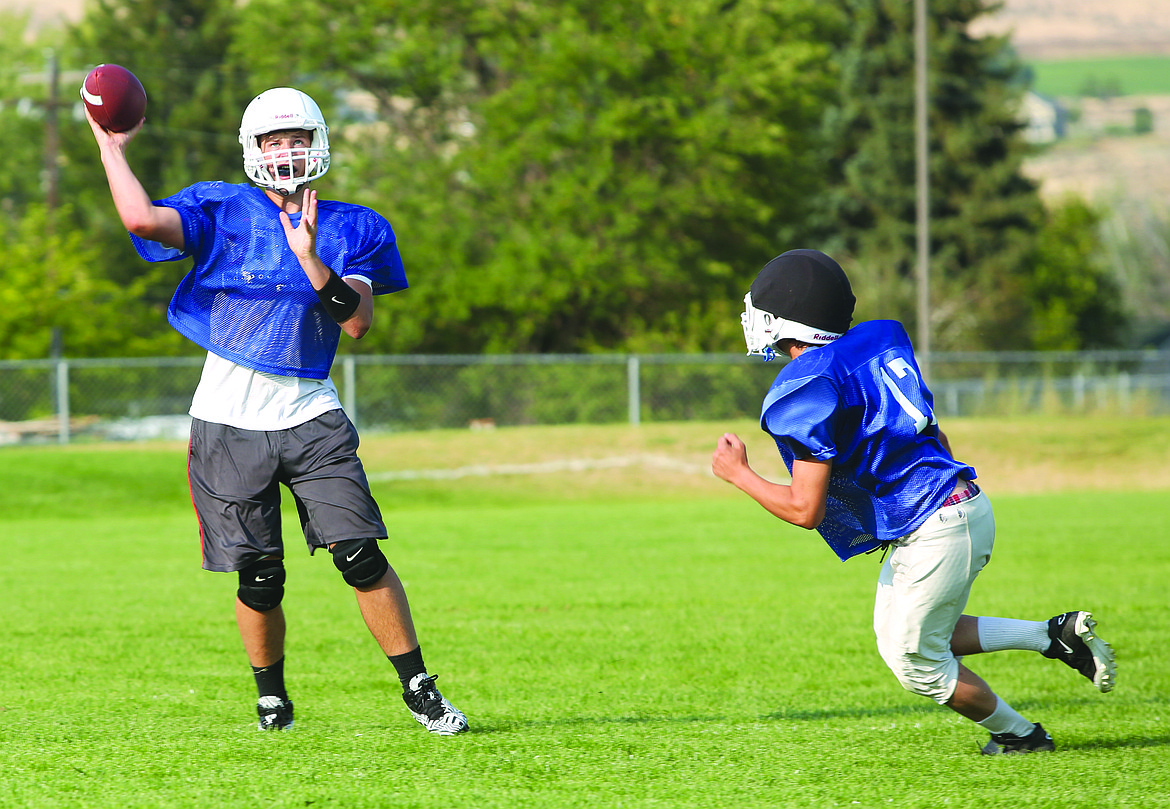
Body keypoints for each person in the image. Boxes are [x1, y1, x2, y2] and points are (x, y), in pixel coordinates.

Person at [85, 87, 468, 735]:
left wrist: (311, 258)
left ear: (319, 143)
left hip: (311, 414)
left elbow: (357, 325)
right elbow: (142, 222)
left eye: (295, 138)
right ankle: (273, 699)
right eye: (272, 141)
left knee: (360, 554)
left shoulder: (355, 226)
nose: (285, 151)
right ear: (251, 149)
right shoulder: (222, 208)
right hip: (228, 420)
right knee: (260, 575)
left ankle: (419, 688)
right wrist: (109, 144)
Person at [711, 248, 1115, 755]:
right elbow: (935, 436)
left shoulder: (807, 386)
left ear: (787, 322)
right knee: (905, 636)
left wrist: (739, 474)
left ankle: (1021, 737)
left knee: (916, 663)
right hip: (955, 508)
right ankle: (1053, 637)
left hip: (936, 525)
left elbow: (803, 509)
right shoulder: (879, 341)